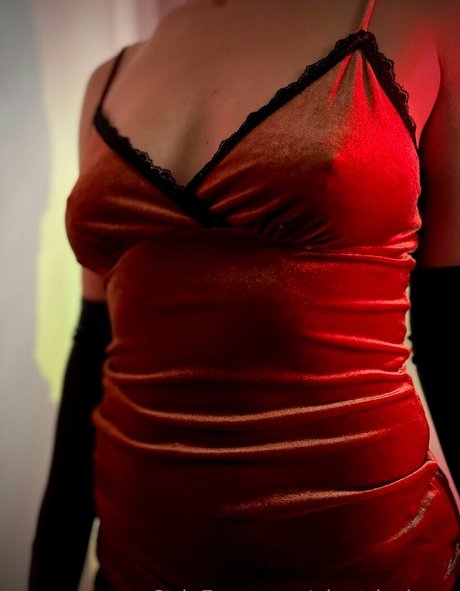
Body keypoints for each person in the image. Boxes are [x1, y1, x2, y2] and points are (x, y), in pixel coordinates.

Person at [28, 0, 460, 589]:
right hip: (136, 562)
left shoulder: (425, 17)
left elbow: (451, 327)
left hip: (362, 558)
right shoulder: (107, 79)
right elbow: (94, 349)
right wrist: (47, 572)